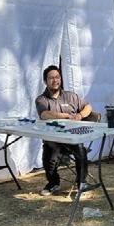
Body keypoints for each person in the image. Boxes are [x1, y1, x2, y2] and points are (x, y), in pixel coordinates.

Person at [35, 65, 93, 196]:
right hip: (53, 138)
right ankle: (53, 183)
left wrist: (80, 115)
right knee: (49, 152)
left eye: (57, 77)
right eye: (51, 78)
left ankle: (82, 184)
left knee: (81, 150)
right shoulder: (41, 99)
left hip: (72, 137)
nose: (55, 80)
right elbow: (44, 114)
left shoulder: (71, 96)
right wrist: (66, 116)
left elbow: (88, 107)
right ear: (45, 81)